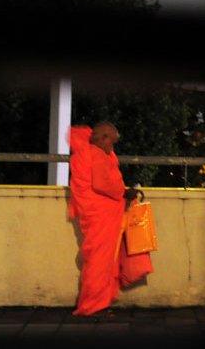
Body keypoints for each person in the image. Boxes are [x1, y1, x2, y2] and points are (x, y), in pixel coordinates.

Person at [69, 122, 152, 316]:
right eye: (111, 142)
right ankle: (92, 305)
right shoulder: (97, 154)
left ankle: (100, 301)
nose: (112, 147)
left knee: (103, 260)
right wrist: (125, 193)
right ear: (102, 138)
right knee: (100, 262)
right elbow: (101, 184)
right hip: (101, 215)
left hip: (100, 214)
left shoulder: (89, 153)